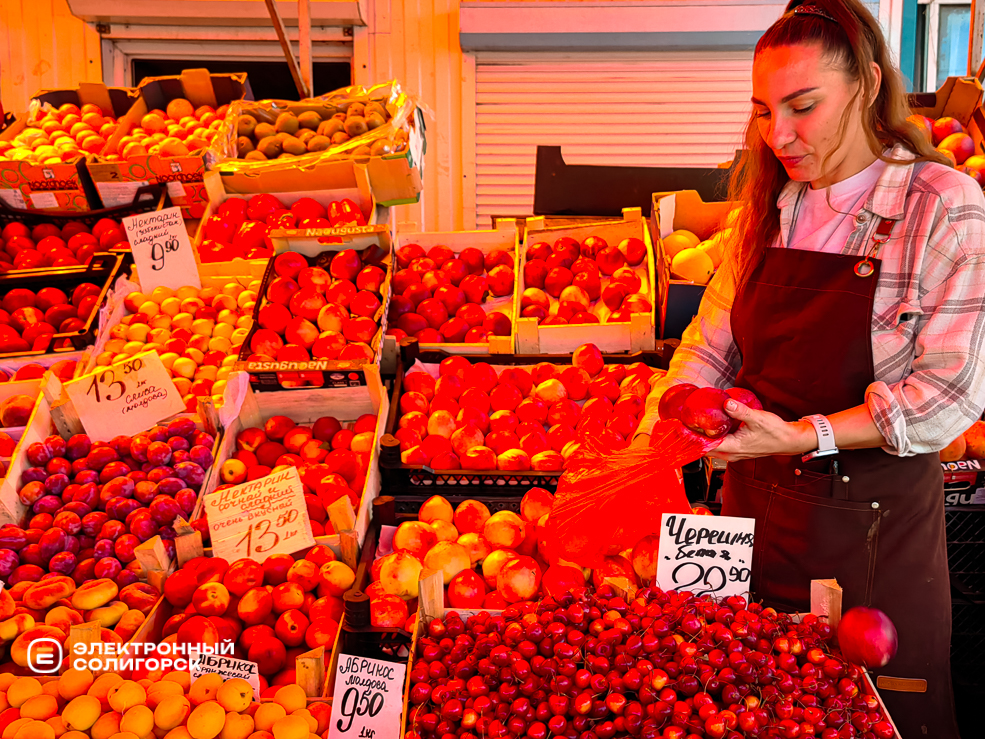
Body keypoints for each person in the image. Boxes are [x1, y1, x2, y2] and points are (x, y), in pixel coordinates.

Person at [633, 0, 985, 734]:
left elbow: (946, 397)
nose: (777, 135)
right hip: (750, 526)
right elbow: (707, 342)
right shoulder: (770, 206)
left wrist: (802, 435)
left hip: (873, 543)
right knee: (746, 709)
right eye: (762, 111)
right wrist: (667, 416)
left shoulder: (941, 206)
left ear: (862, 82)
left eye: (801, 106)